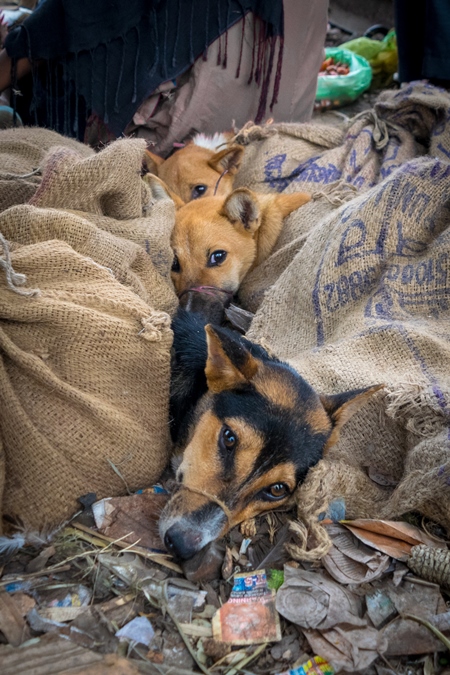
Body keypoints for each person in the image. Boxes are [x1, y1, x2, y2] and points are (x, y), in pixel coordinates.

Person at [0, 0, 328, 149]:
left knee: (54, 58)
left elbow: (71, 20)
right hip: (284, 131)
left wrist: (13, 53)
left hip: (187, 138)